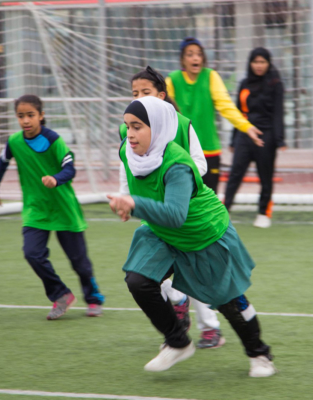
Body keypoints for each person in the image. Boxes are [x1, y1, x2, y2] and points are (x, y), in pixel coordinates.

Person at [109, 96, 275, 377]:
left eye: (137, 126)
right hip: (162, 231)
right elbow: (140, 189)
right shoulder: (127, 147)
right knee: (139, 281)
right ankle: (177, 342)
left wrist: (135, 204)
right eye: (127, 126)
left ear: (159, 127)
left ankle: (260, 354)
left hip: (203, 232)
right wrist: (127, 202)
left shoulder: (178, 165)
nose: (130, 133)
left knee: (229, 301)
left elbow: (176, 215)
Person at [119, 66, 225, 349]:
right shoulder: (128, 128)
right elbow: (127, 166)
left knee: (197, 274)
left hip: (186, 218)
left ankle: (210, 328)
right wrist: (126, 198)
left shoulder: (181, 124)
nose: (140, 98)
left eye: (146, 92)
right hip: (153, 216)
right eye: (135, 94)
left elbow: (199, 164)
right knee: (149, 273)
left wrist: (177, 186)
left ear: (162, 96)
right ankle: (177, 306)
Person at [0, 94, 104, 320]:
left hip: (63, 207)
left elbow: (70, 169)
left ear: (41, 115)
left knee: (79, 262)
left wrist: (56, 178)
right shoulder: (14, 142)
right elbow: (2, 163)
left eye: (30, 115)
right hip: (36, 209)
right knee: (31, 253)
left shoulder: (54, 140)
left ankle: (94, 298)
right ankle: (60, 294)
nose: (26, 121)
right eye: (21, 116)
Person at [166, 37, 264, 194]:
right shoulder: (173, 80)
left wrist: (246, 127)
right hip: (181, 153)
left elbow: (226, 105)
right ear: (182, 59)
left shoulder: (211, 76)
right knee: (183, 203)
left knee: (209, 202)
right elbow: (163, 111)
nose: (195, 58)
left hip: (209, 151)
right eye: (190, 54)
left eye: (199, 54)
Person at [224, 48, 287, 228]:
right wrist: (233, 139)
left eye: (263, 62)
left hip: (266, 136)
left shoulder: (276, 84)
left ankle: (262, 213)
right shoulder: (244, 83)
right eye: (256, 62)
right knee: (235, 173)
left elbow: (278, 113)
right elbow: (237, 112)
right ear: (250, 63)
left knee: (265, 177)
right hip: (245, 134)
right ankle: (224, 211)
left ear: (269, 63)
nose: (259, 66)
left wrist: (279, 139)